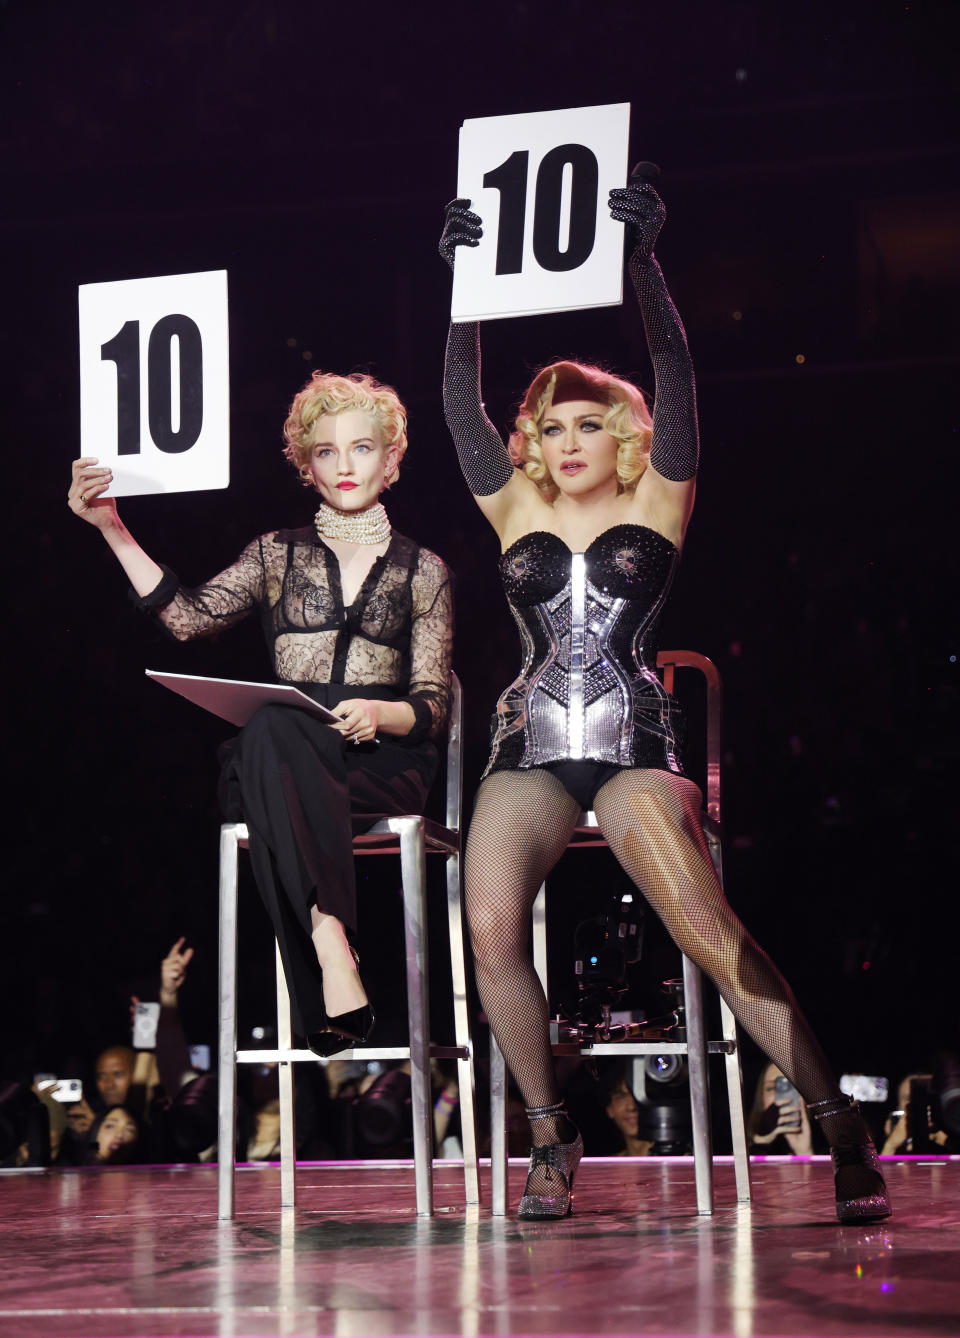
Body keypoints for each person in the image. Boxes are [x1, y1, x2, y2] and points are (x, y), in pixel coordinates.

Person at [438, 174, 890, 1223]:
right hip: (528, 748)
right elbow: (459, 406)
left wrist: (645, 262)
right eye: (549, 428)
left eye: (587, 424)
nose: (565, 442)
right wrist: (462, 284)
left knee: (704, 921)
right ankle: (553, 1135)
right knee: (492, 926)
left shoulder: (662, 494)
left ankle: (838, 1123)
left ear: (624, 437)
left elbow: (678, 367)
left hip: (637, 741)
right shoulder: (511, 505)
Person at [69, 372, 453, 1055]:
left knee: (265, 749)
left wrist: (379, 713)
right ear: (307, 465)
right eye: (327, 452)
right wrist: (114, 527)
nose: (344, 466)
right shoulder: (275, 554)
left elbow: (432, 705)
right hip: (284, 756)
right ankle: (330, 933)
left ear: (391, 459)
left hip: (378, 764)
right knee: (270, 732)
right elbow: (188, 619)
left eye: (361, 448)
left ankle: (325, 964)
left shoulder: (424, 569)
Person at [747, 1062, 813, 1155]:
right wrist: (761, 1142)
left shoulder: (831, 1144)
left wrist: (804, 1152)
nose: (781, 1097)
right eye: (771, 1088)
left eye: (790, 1087)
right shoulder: (742, 1144)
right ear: (760, 1098)